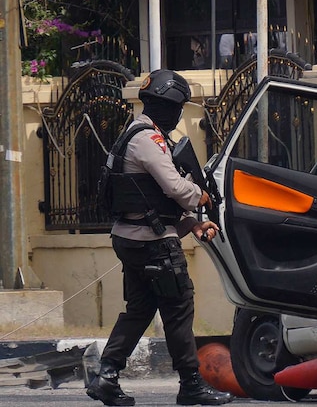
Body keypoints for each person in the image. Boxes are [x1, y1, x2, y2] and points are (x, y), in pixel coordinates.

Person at [87, 69, 233, 406]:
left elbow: (153, 198)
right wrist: (202, 197)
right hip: (152, 244)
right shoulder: (148, 140)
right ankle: (191, 385)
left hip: (134, 237)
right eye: (179, 106)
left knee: (139, 309)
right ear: (170, 106)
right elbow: (175, 188)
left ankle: (106, 375)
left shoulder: (134, 134)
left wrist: (191, 225)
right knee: (178, 306)